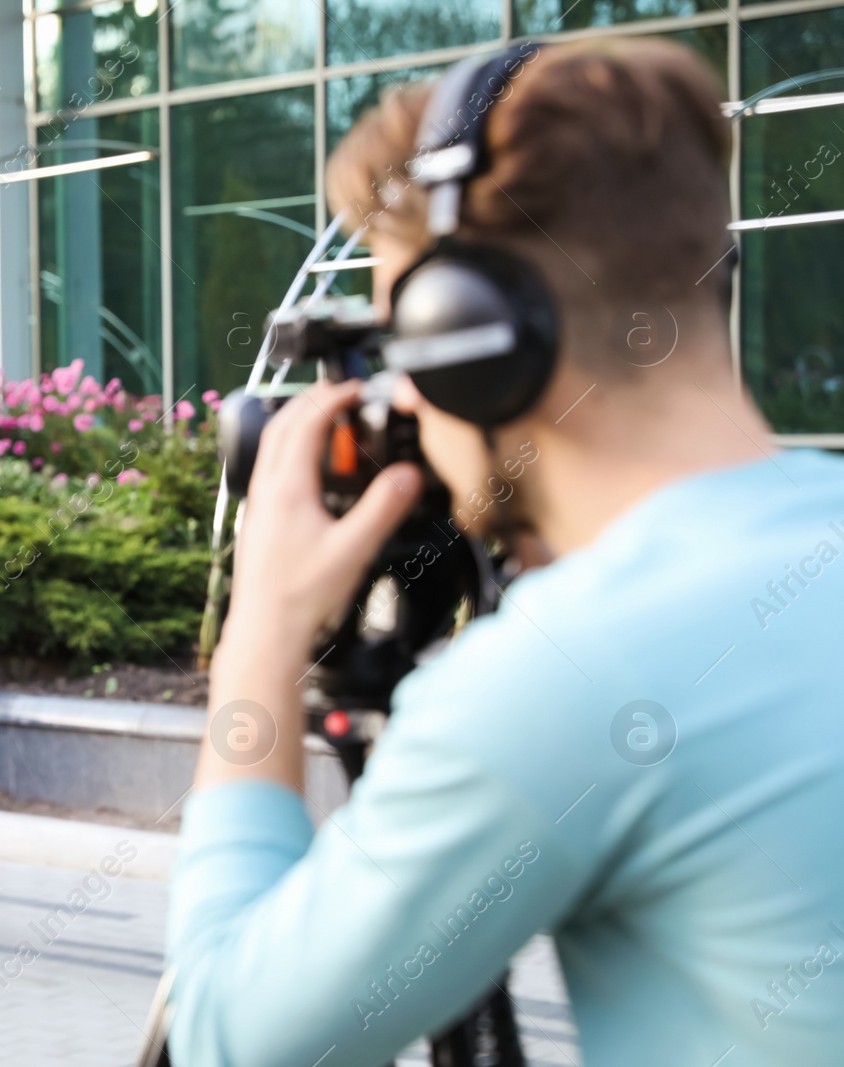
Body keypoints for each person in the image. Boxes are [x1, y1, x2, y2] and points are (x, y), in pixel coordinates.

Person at [165, 37, 844, 1067]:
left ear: (471, 337)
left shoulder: (575, 672)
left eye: (403, 342)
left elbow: (233, 1042)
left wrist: (260, 634)